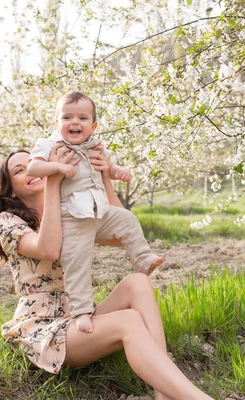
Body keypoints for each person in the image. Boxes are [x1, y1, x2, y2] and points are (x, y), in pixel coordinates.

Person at [0, 148, 213, 400]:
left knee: (137, 282)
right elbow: (48, 248)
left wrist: (104, 177)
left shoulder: (69, 212)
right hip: (45, 330)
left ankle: (163, 393)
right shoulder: (8, 221)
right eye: (20, 170)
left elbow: (119, 235)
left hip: (80, 317)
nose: (31, 169)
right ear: (10, 190)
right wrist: (53, 182)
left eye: (32, 163)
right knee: (128, 320)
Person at [26, 91, 163, 334]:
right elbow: (33, 168)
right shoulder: (50, 146)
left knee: (128, 219)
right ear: (56, 123)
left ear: (94, 125)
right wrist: (56, 166)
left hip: (99, 211)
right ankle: (81, 311)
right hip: (73, 218)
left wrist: (117, 171)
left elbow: (106, 168)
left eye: (82, 118)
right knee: (77, 263)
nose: (75, 122)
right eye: (67, 117)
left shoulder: (95, 146)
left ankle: (142, 259)